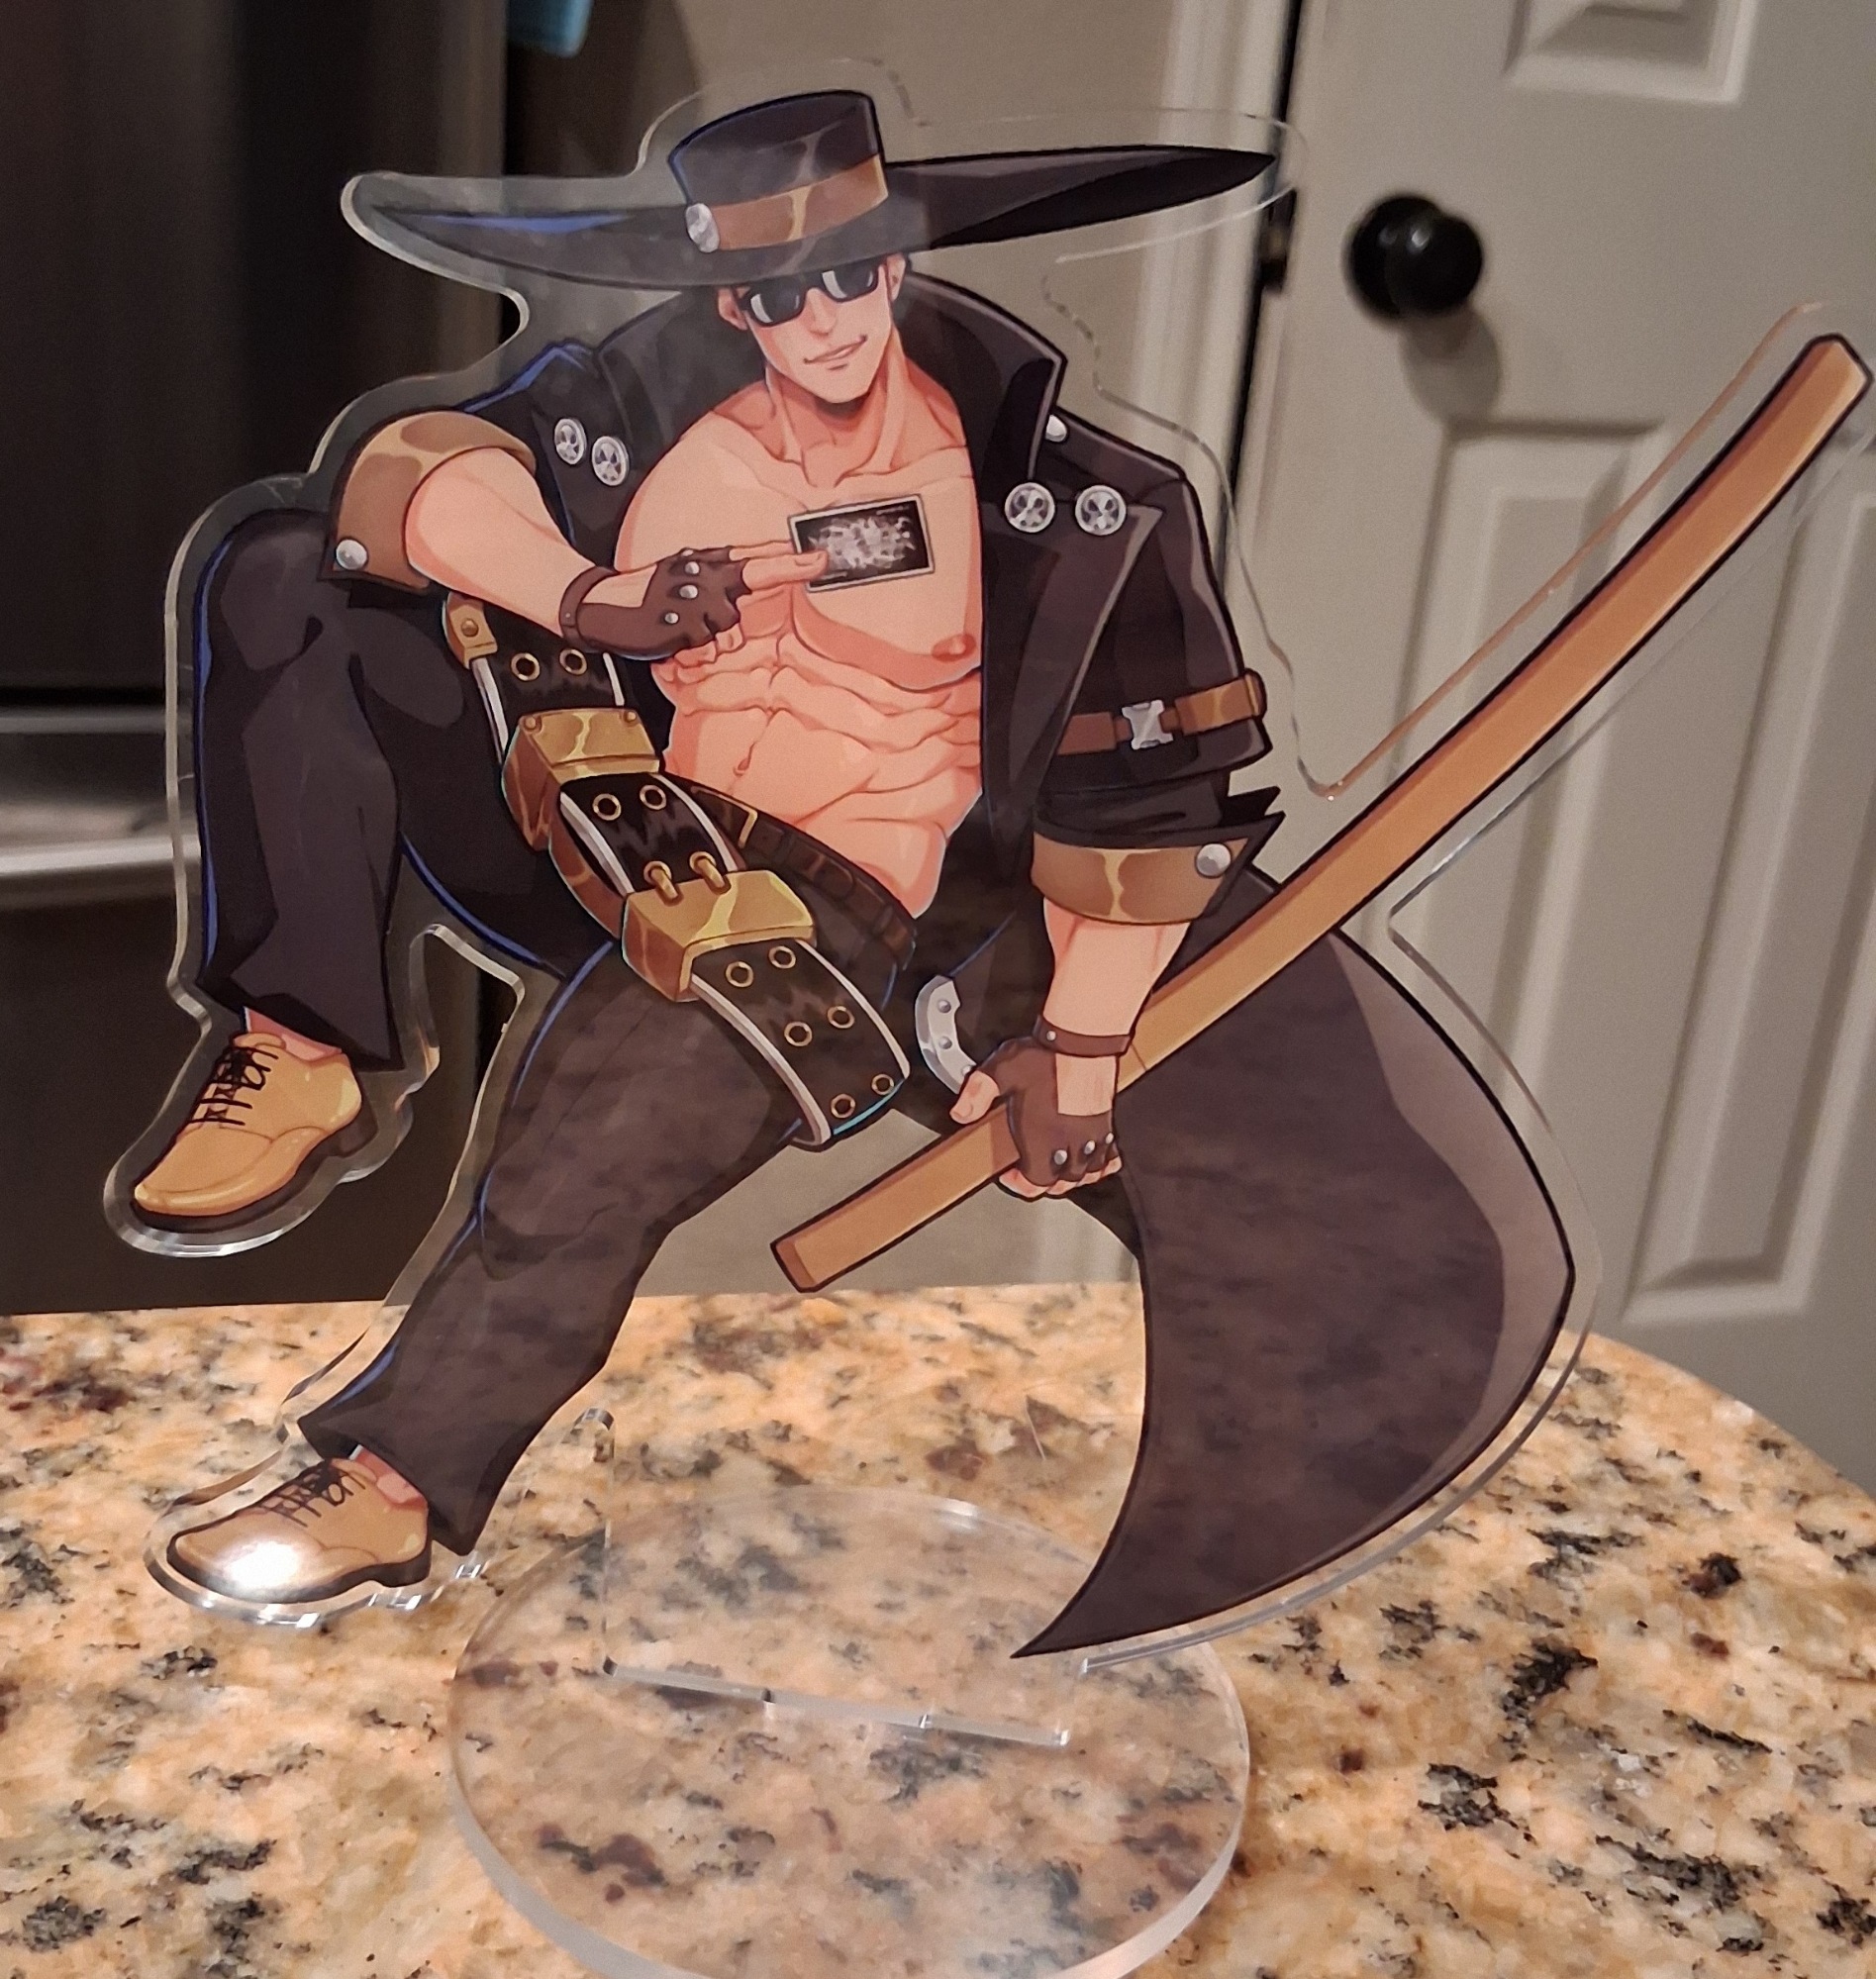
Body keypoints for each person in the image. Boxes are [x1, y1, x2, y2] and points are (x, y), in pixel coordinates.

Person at [130, 93, 1569, 1656]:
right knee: (286, 573)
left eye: (846, 275)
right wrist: (596, 598)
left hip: (866, 906)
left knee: (590, 1160)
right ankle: (305, 1048)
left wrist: (1083, 1048)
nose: (818, 319)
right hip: (613, 821)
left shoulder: (1069, 502)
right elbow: (409, 474)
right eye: (774, 292)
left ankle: (391, 1481)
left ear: (894, 263)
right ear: (730, 302)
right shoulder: (650, 411)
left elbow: (1147, 810)